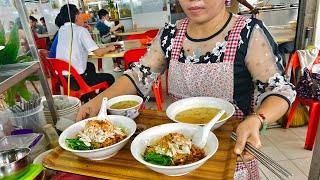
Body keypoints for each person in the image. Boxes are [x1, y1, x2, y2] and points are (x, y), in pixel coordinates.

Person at [76, 0, 296, 178]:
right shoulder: (170, 33)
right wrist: (98, 101)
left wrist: (257, 119)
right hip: (177, 151)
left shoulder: (248, 32)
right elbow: (137, 76)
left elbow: (279, 90)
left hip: (230, 153)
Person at [56, 4, 116, 102]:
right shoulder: (81, 31)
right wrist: (110, 48)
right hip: (77, 80)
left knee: (90, 66)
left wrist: (82, 26)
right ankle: (98, 100)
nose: (82, 17)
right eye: (80, 14)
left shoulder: (61, 30)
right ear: (76, 17)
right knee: (110, 78)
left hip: (63, 79)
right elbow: (99, 53)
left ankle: (86, 95)